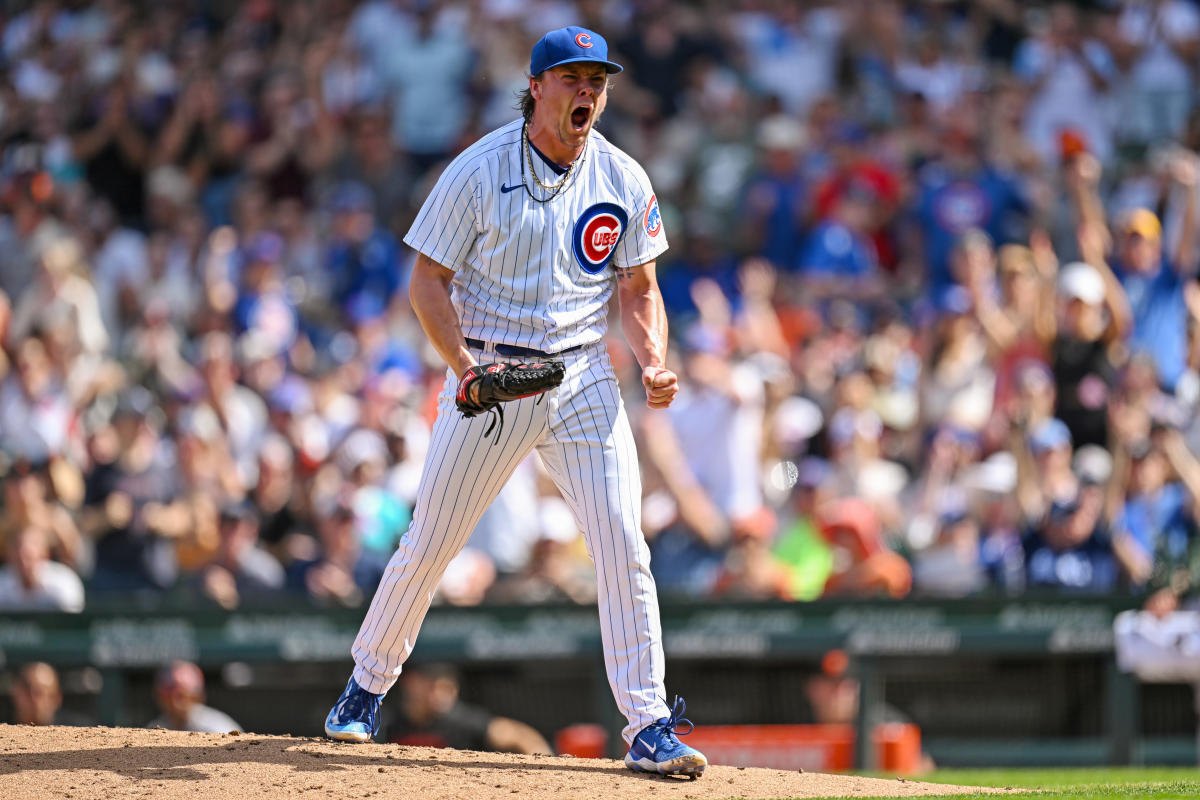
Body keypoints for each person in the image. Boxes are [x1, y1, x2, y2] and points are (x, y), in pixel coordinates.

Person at [322, 26, 706, 779]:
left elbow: (640, 288)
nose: (587, 91)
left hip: (583, 376)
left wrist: (654, 357)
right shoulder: (478, 168)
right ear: (536, 87)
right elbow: (426, 280)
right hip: (493, 375)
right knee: (431, 540)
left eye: (597, 79)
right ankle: (366, 687)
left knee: (624, 542)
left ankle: (650, 723)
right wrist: (461, 366)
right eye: (571, 78)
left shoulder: (623, 177)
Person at [386, 663, 551, 755]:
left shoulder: (463, 722)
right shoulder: (388, 722)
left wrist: (544, 768)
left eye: (444, 687)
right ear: (408, 683)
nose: (436, 695)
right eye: (429, 685)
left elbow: (521, 738)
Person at [147, 660, 242, 733]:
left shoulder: (217, 727)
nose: (175, 701)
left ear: (198, 695)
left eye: (181, 695)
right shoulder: (154, 728)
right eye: (169, 693)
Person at [9, 662, 91, 726]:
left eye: (39, 692)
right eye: (27, 691)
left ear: (56, 698)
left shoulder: (79, 729)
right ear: (16, 693)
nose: (33, 699)